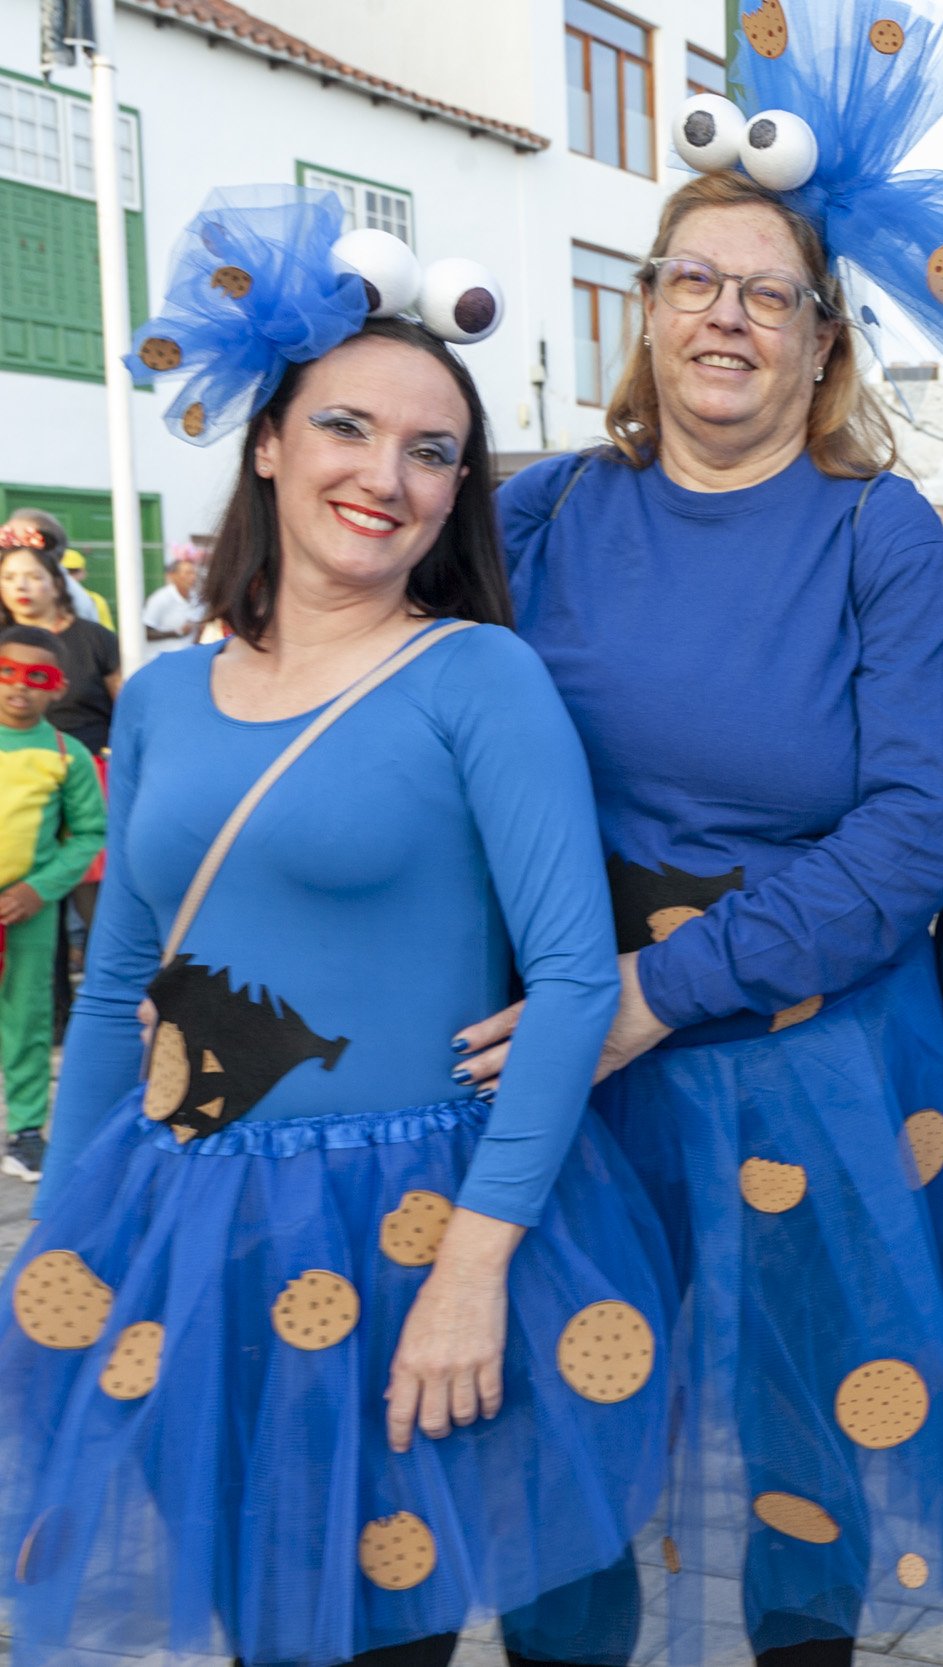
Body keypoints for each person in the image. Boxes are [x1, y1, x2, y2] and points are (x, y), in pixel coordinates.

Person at [0, 184, 670, 1667]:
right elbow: (126, 982)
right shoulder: (168, 690)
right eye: (348, 428)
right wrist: (63, 1273)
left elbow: (569, 977)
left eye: (433, 450)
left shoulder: (476, 676)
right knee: (272, 1624)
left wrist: (476, 1263)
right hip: (196, 1223)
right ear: (266, 442)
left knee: (386, 1627)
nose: (388, 473)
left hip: (419, 1227)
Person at [466, 2, 943, 1659]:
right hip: (571, 1068)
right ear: (647, 312)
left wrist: (658, 990)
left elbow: (922, 830)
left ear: (820, 340)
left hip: (807, 1060)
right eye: (692, 281)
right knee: (560, 1430)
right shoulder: (543, 513)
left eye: (763, 293)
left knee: (802, 1467)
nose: (724, 316)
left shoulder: (881, 540)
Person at [0, 626, 105, 1184]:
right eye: (7, 671)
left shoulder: (68, 754)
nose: (19, 687)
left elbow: (90, 833)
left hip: (25, 913)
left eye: (35, 677)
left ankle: (25, 1130)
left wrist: (38, 889)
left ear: (57, 688)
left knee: (27, 1022)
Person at [0, 522, 119, 759]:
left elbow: (128, 710)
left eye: (33, 577)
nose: (20, 587)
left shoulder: (95, 638)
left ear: (57, 584)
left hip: (88, 765)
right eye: (9, 578)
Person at [142, 547, 208, 654]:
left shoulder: (196, 598)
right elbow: (145, 632)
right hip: (162, 659)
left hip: (187, 657)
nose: (192, 578)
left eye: (194, 573)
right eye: (187, 573)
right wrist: (176, 633)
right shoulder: (160, 598)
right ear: (172, 576)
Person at [55, 550, 110, 630]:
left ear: (83, 573)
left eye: (72, 571)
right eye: (62, 572)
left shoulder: (96, 600)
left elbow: (106, 633)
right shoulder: (45, 599)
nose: (68, 577)